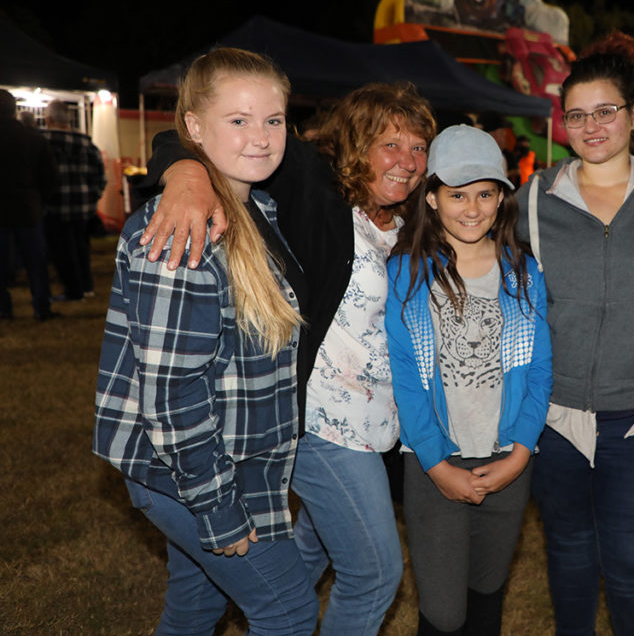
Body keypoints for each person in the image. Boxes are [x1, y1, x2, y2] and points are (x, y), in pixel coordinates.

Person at [141, 81, 436, 634]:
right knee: (374, 574)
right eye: (390, 145)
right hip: (319, 422)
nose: (407, 162)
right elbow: (188, 137)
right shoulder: (315, 194)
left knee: (240, 583)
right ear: (355, 144)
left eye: (419, 148)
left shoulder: (409, 222)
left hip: (376, 427)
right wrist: (183, 174)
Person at [93, 47, 319, 634]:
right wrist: (218, 509)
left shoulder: (255, 207)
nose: (262, 137)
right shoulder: (183, 230)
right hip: (191, 474)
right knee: (290, 612)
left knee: (196, 609)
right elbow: (171, 392)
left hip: (232, 461)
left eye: (273, 120)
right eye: (238, 120)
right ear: (193, 126)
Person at [516, 31, 634, 635]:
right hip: (554, 414)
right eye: (577, 115)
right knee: (567, 553)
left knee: (633, 562)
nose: (592, 126)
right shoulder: (534, 199)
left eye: (607, 111)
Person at [386, 125, 552, 635]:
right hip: (436, 463)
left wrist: (521, 452)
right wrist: (437, 465)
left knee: (487, 596)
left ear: (503, 197)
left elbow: (541, 368)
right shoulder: (407, 273)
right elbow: (407, 378)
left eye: (485, 193)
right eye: (457, 195)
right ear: (432, 197)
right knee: (443, 612)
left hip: (508, 462)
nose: (473, 208)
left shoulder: (524, 272)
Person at [39, 99, 107, 301]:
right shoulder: (86, 142)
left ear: (48, 118)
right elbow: (101, 175)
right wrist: (93, 196)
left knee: (61, 251)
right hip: (83, 206)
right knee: (81, 248)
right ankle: (86, 286)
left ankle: (73, 290)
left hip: (55, 206)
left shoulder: (44, 141)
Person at [0, 89, 58, 321]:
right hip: (28, 207)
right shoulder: (33, 138)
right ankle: (41, 306)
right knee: (36, 262)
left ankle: (3, 308)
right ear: (14, 109)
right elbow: (50, 176)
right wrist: (42, 200)